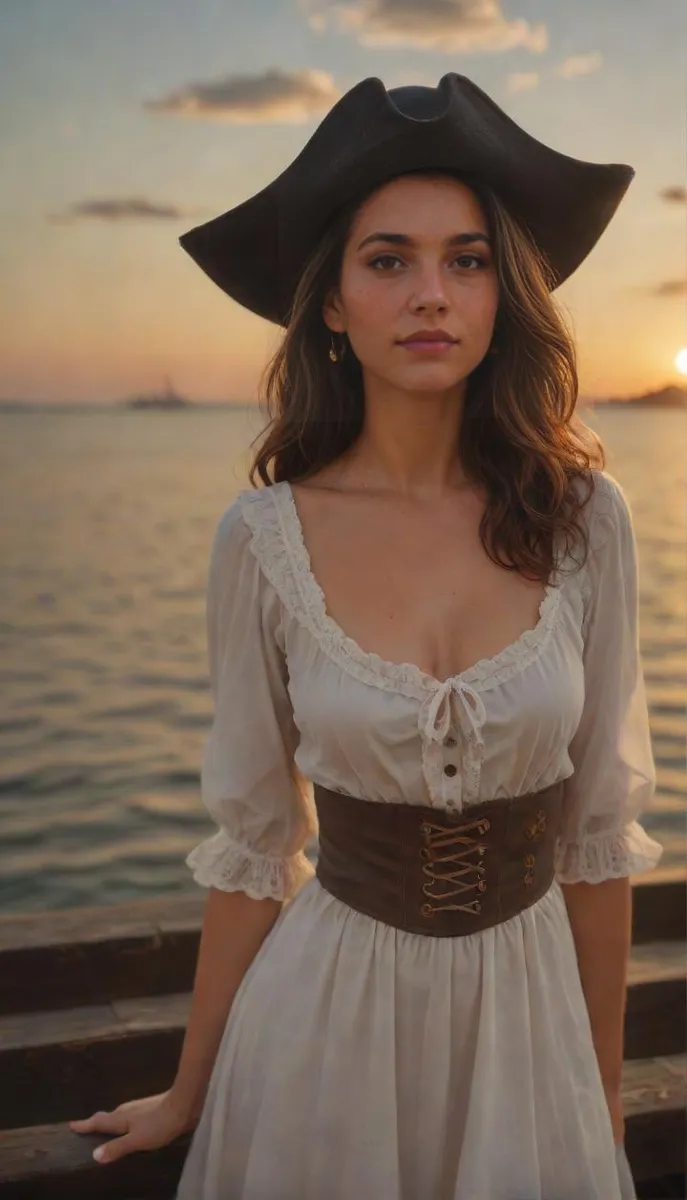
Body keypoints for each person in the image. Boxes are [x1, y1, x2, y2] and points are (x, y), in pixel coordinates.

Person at [69, 73, 664, 1199]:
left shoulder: (589, 522)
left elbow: (595, 849)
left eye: (467, 260)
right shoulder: (264, 539)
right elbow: (254, 854)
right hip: (320, 1036)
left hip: (528, 1038)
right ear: (333, 304)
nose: (430, 294)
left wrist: (602, 1122)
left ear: (504, 296)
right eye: (388, 260)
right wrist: (190, 1094)